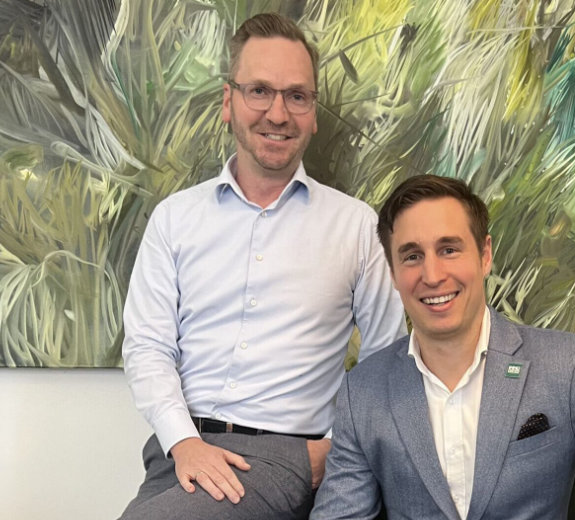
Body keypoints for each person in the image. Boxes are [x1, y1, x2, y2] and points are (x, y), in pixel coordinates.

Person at [119, 12, 406, 520]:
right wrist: (184, 442)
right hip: (178, 454)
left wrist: (333, 451)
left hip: (286, 459)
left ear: (313, 113)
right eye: (259, 91)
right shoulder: (174, 219)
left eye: (297, 96)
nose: (278, 113)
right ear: (228, 102)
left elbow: (387, 359)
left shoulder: (357, 227)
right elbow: (147, 346)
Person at [311, 175, 575, 519]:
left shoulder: (567, 368)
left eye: (449, 249)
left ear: (484, 255)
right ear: (393, 272)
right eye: (412, 256)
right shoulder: (362, 392)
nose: (432, 275)